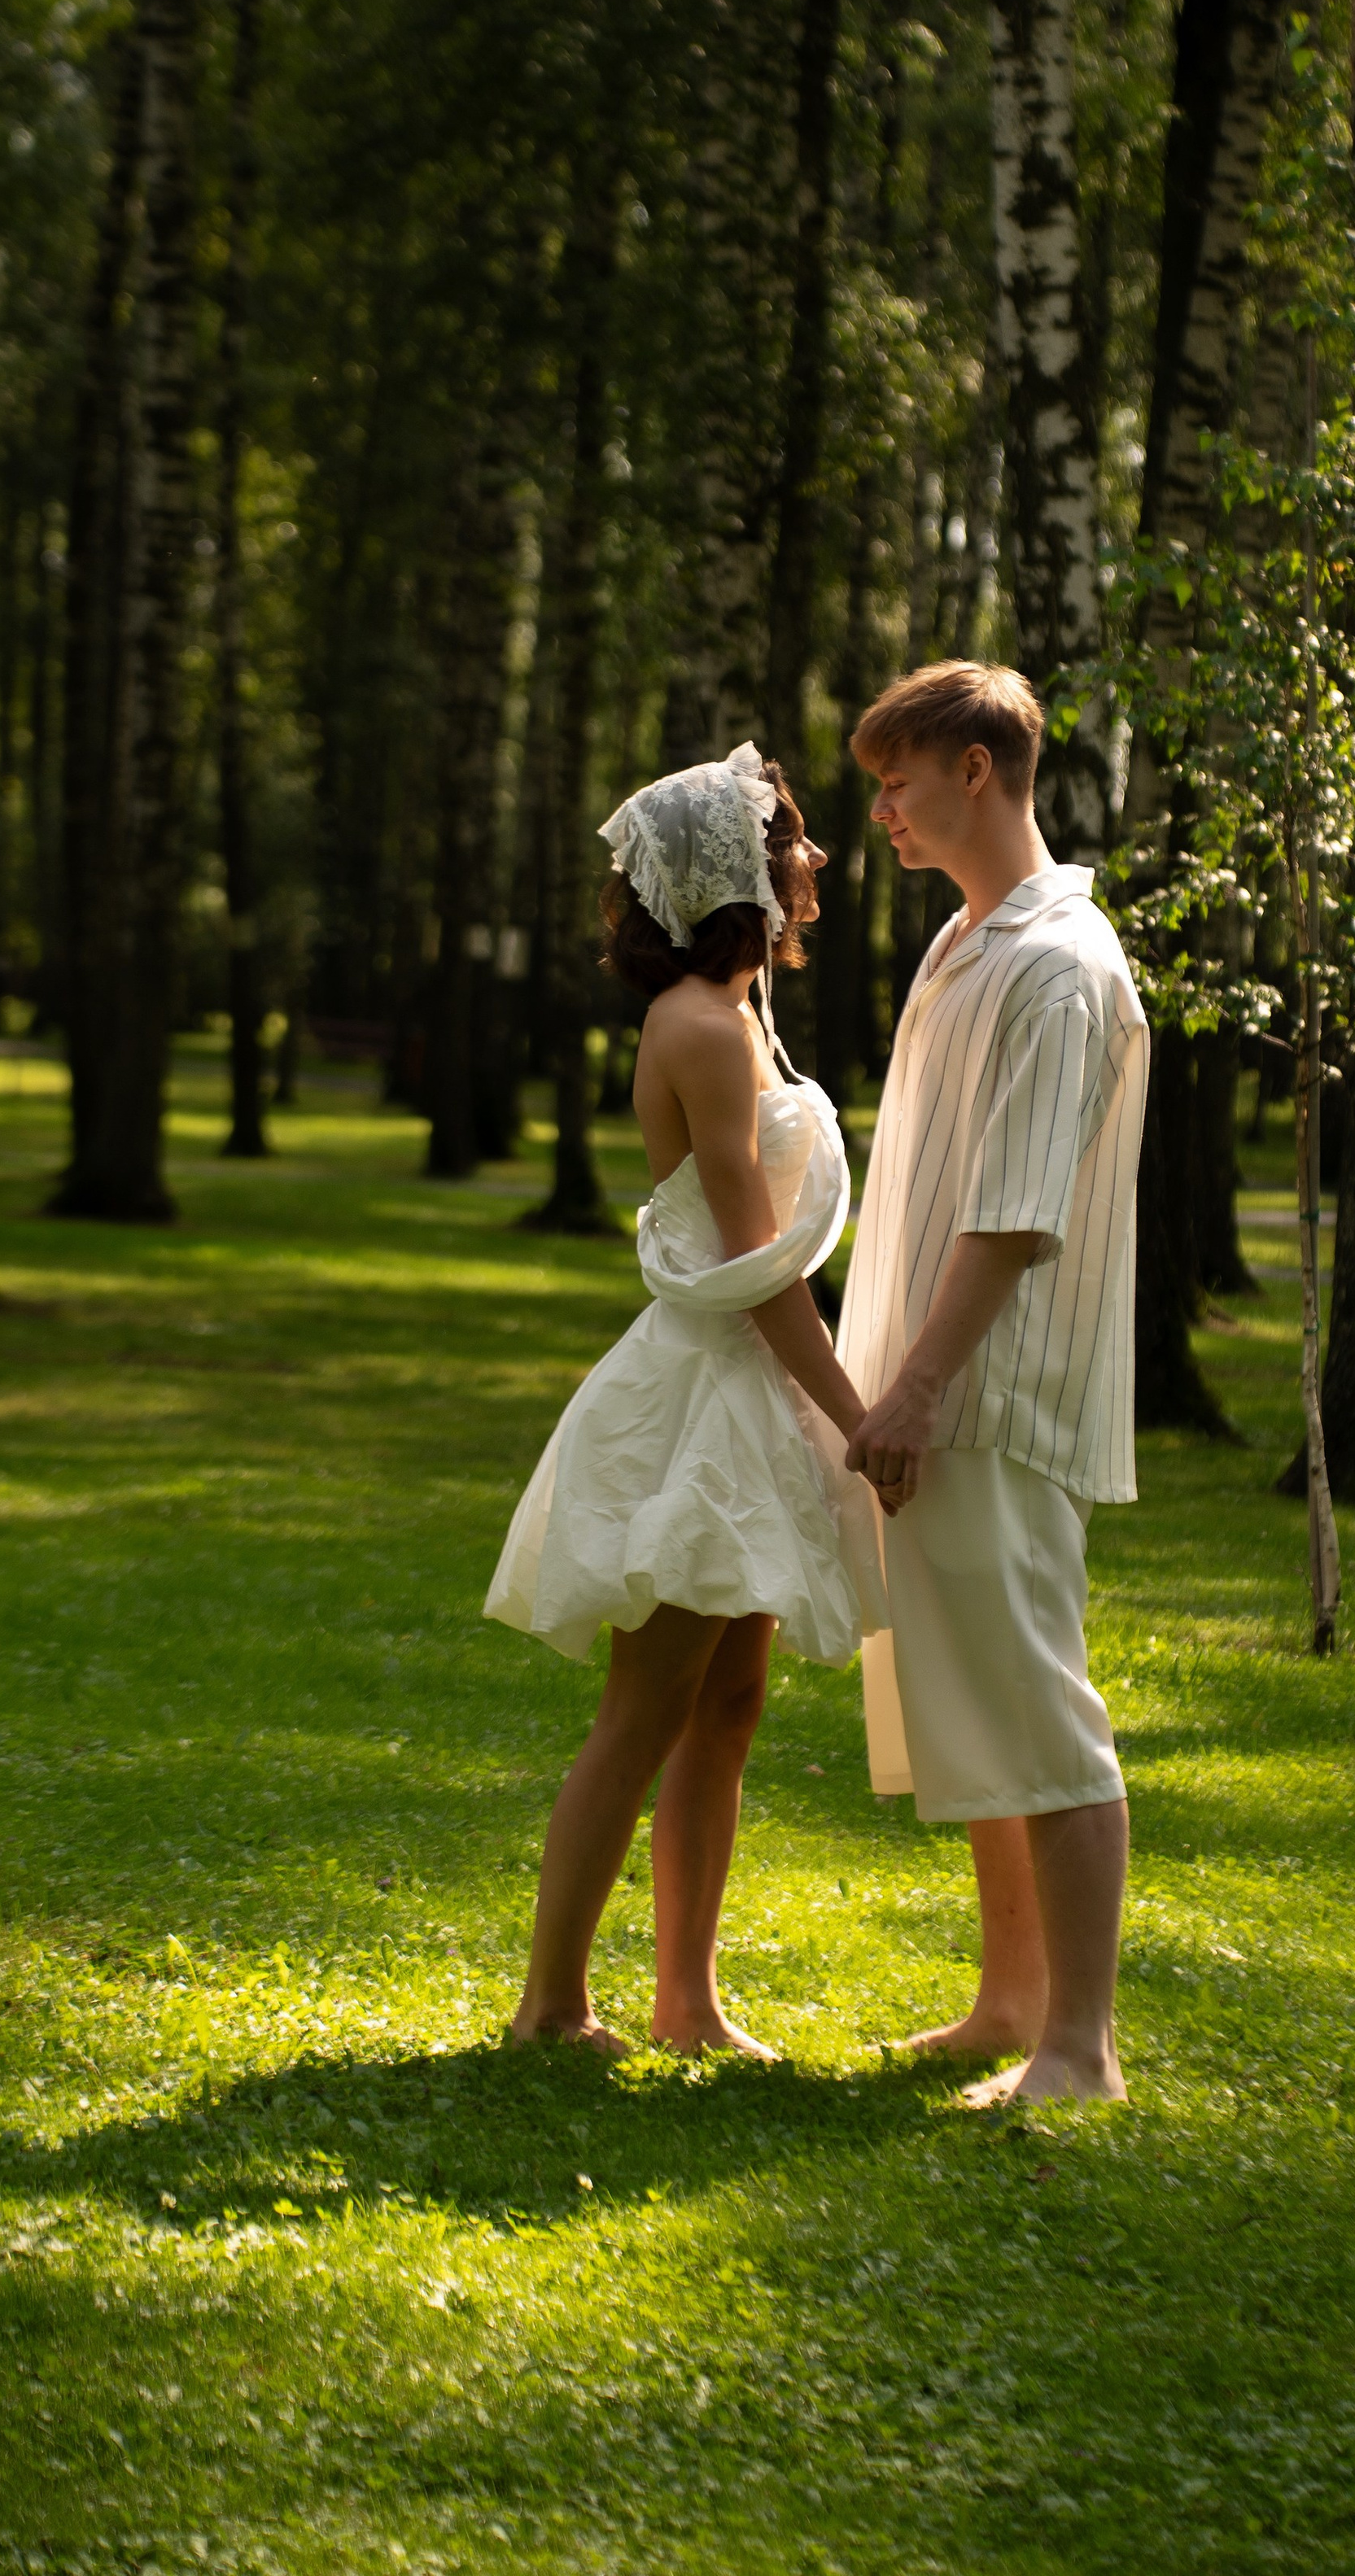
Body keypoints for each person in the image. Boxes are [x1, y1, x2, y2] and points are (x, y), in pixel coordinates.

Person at [487, 743, 884, 2056]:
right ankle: (552, 2004)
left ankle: (688, 2000)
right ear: (740, 874)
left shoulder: (742, 1009)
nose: (816, 861)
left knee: (729, 1704)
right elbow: (756, 1262)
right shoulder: (706, 1029)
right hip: (707, 1405)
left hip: (748, 1398)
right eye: (795, 844)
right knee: (646, 1708)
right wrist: (856, 1413)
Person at [837, 661, 1149, 2106]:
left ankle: (1079, 2048)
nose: (882, 811)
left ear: (978, 769)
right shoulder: (967, 944)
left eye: (898, 778)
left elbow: (1020, 1216)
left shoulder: (1058, 962)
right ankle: (1009, 2000)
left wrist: (920, 1390)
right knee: (969, 1707)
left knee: (1039, 1704)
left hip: (997, 1395)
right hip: (927, 1388)